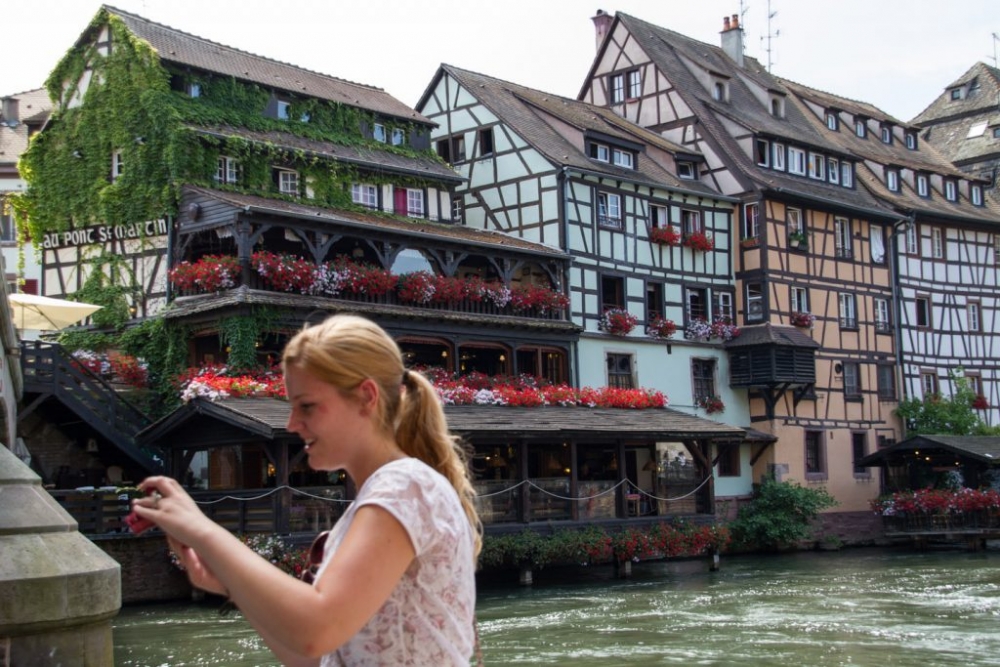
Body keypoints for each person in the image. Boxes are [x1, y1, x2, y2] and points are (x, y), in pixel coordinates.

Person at [132, 314, 482, 665]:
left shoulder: (403, 486)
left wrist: (202, 530)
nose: (292, 423)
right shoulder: (394, 490)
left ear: (366, 396)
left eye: (307, 406)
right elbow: (315, 655)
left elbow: (317, 630)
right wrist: (230, 584)